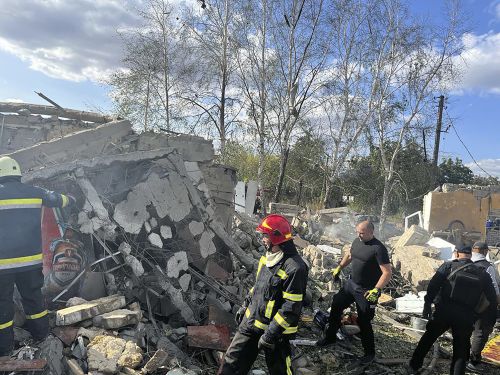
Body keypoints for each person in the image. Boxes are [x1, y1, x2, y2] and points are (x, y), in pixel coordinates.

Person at [0, 156, 74, 356]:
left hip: (2, 266)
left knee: (2, 304)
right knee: (33, 299)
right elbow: (61, 200)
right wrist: (72, 199)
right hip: (30, 263)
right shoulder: (35, 193)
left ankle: (4, 349)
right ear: (18, 174)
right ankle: (42, 337)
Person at [218, 214, 308, 375]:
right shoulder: (266, 259)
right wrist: (245, 305)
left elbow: (291, 307)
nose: (262, 239)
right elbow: (258, 287)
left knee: (279, 370)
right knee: (231, 363)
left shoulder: (295, 268)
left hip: (276, 332)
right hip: (251, 323)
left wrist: (270, 334)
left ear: (276, 237)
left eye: (265, 235)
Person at [408, 245, 497, 375]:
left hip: (444, 312)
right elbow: (492, 298)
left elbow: (433, 285)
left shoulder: (448, 266)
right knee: (460, 350)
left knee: (428, 338)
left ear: (456, 254)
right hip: (466, 316)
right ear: (470, 256)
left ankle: (414, 365)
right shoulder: (482, 273)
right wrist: (483, 316)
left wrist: (427, 304)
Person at [316, 220, 392, 366]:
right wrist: (339, 267)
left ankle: (369, 353)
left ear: (371, 232)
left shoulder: (378, 249)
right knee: (337, 304)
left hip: (366, 291)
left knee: (364, 321)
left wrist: (377, 290)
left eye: (362, 233)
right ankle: (330, 337)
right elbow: (350, 255)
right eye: (357, 232)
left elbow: (387, 272)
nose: (358, 235)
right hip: (351, 285)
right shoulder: (357, 241)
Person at [467, 241, 500, 373]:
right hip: (483, 306)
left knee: (465, 331)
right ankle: (473, 362)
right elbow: (495, 289)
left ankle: (462, 357)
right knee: (480, 332)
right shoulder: (487, 267)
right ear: (485, 251)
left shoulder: (462, 263)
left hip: (463, 304)